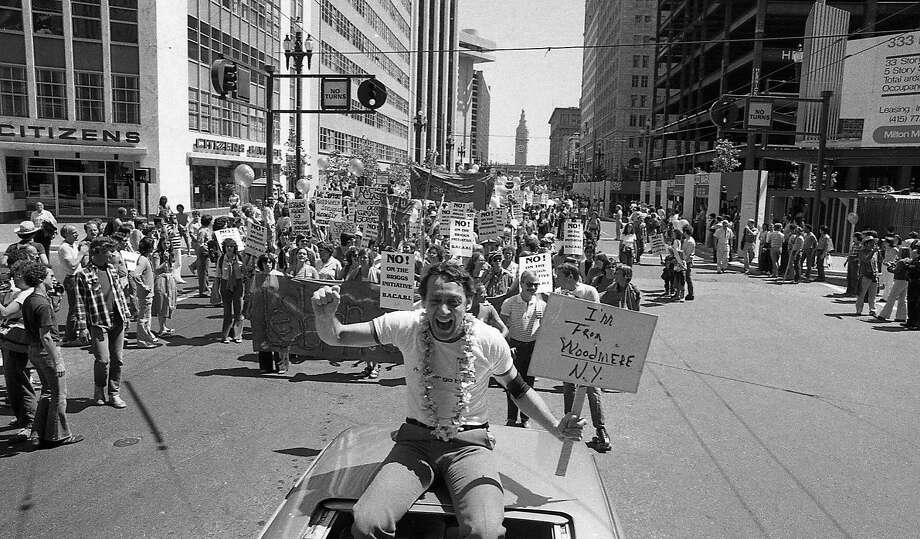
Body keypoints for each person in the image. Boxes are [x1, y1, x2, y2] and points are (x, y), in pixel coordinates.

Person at [310, 263, 585, 538]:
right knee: (368, 523)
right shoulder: (406, 325)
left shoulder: (489, 340)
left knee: (485, 531)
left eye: (453, 302)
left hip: (470, 447)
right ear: (423, 303)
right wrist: (325, 315)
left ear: (469, 302)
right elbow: (337, 335)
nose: (443, 311)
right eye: (435, 301)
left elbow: (518, 389)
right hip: (414, 445)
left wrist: (556, 428)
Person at [22, 261, 84, 448]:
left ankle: (37, 432)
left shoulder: (30, 300)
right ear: (41, 279)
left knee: (47, 392)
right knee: (59, 394)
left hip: (33, 350)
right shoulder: (41, 304)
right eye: (50, 276)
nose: (53, 278)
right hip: (45, 351)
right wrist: (58, 361)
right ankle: (59, 435)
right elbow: (47, 337)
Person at [554, 262, 611, 452]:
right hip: (568, 344)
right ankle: (569, 424)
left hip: (586, 346)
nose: (557, 279)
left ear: (570, 276)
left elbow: (595, 317)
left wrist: (574, 301)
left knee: (591, 387)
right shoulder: (559, 291)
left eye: (560, 276)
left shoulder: (589, 291)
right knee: (568, 386)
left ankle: (601, 430)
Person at [74, 236, 132, 409]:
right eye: (109, 251)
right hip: (99, 322)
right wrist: (83, 327)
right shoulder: (83, 274)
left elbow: (119, 294)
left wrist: (126, 314)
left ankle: (114, 393)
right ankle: (99, 388)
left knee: (118, 359)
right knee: (102, 359)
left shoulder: (112, 270)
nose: (112, 254)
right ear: (97, 252)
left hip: (117, 319)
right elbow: (79, 301)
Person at [499, 270, 545, 429]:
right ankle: (511, 417)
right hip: (514, 347)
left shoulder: (541, 304)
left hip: (532, 347)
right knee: (512, 383)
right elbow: (503, 327)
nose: (533, 288)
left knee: (529, 385)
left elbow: (546, 330)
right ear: (522, 284)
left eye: (536, 285)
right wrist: (508, 345)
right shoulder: (509, 303)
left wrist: (542, 319)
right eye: (530, 284)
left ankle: (526, 418)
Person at [1, 259, 36, 441]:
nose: (11, 280)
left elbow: (6, 313)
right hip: (10, 341)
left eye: (14, 276)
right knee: (13, 382)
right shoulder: (20, 292)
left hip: (19, 344)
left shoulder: (26, 294)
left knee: (20, 382)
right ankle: (24, 417)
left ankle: (30, 422)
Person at [56, 225, 83, 345]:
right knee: (75, 308)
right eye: (73, 233)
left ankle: (73, 332)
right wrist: (82, 253)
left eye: (77, 232)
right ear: (66, 235)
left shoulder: (74, 245)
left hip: (78, 277)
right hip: (72, 279)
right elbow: (72, 265)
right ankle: (69, 336)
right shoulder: (64, 248)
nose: (76, 234)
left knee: (79, 307)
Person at [131, 237, 159, 348]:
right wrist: (144, 286)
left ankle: (147, 337)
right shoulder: (143, 260)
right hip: (145, 294)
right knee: (144, 318)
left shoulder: (145, 258)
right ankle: (142, 341)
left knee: (147, 318)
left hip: (147, 293)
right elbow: (135, 274)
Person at [217, 238, 245, 343]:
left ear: (235, 248)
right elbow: (218, 275)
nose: (229, 248)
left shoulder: (240, 258)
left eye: (231, 246)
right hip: (225, 285)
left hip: (237, 284)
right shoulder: (221, 259)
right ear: (224, 248)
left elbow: (245, 272)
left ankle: (237, 335)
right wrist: (216, 289)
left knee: (238, 310)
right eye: (227, 246)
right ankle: (226, 335)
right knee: (227, 311)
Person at [876, 247, 910, 323]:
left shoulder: (901, 261)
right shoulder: (909, 260)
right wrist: (894, 264)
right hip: (906, 281)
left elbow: (895, 271)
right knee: (902, 299)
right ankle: (901, 316)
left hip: (899, 280)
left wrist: (889, 266)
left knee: (891, 297)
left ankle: (884, 315)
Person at [152, 247, 177, 337]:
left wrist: (169, 258)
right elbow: (156, 269)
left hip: (169, 280)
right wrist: (165, 261)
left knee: (167, 304)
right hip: (161, 280)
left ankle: (164, 326)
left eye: (168, 243)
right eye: (165, 243)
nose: (166, 245)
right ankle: (161, 328)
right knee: (162, 304)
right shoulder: (157, 255)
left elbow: (172, 266)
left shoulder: (170, 253)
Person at [855, 236, 879, 316]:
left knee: (873, 295)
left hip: (874, 276)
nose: (873, 244)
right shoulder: (862, 252)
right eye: (871, 243)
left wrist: (877, 273)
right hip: (865, 275)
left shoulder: (875, 252)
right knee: (861, 294)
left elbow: (875, 264)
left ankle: (872, 310)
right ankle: (859, 310)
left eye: (873, 243)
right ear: (866, 244)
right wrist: (872, 252)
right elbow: (865, 260)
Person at [682, 227, 696, 301]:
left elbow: (688, 253)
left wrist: (683, 258)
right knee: (685, 277)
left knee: (688, 277)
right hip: (685, 260)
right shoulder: (686, 240)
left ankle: (691, 294)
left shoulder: (690, 241)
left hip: (687, 261)